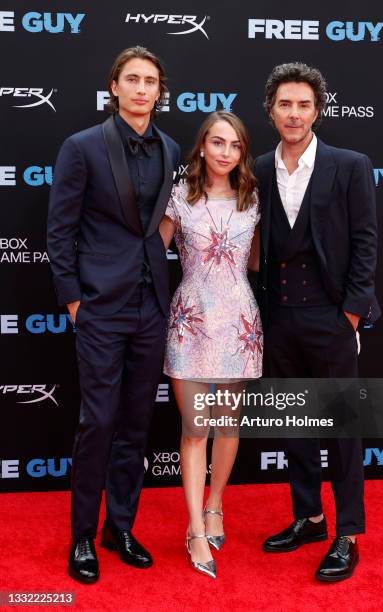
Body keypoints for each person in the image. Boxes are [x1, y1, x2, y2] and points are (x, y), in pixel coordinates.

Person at [47, 46, 180, 584]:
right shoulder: (82, 147)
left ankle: (118, 526)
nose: (143, 89)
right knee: (97, 421)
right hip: (100, 305)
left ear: (159, 89)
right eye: (133, 79)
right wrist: (74, 299)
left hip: (152, 305)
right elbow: (60, 229)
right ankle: (82, 534)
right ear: (115, 87)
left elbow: (162, 225)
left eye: (151, 81)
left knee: (136, 422)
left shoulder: (171, 147)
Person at [253, 62, 380, 582]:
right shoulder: (258, 167)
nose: (294, 113)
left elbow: (366, 242)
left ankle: (347, 534)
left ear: (318, 110)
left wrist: (350, 314)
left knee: (342, 430)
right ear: (271, 110)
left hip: (330, 318)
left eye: (304, 104)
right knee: (294, 426)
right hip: (277, 317)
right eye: (285, 103)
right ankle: (308, 516)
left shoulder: (349, 164)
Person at [159, 111, 262, 578]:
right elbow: (149, 256)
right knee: (194, 430)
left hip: (239, 323)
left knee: (228, 426)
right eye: (217, 142)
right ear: (201, 147)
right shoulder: (179, 197)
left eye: (234, 145)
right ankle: (195, 528)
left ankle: (216, 504)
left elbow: (261, 260)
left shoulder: (253, 199)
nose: (225, 152)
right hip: (190, 324)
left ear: (243, 152)